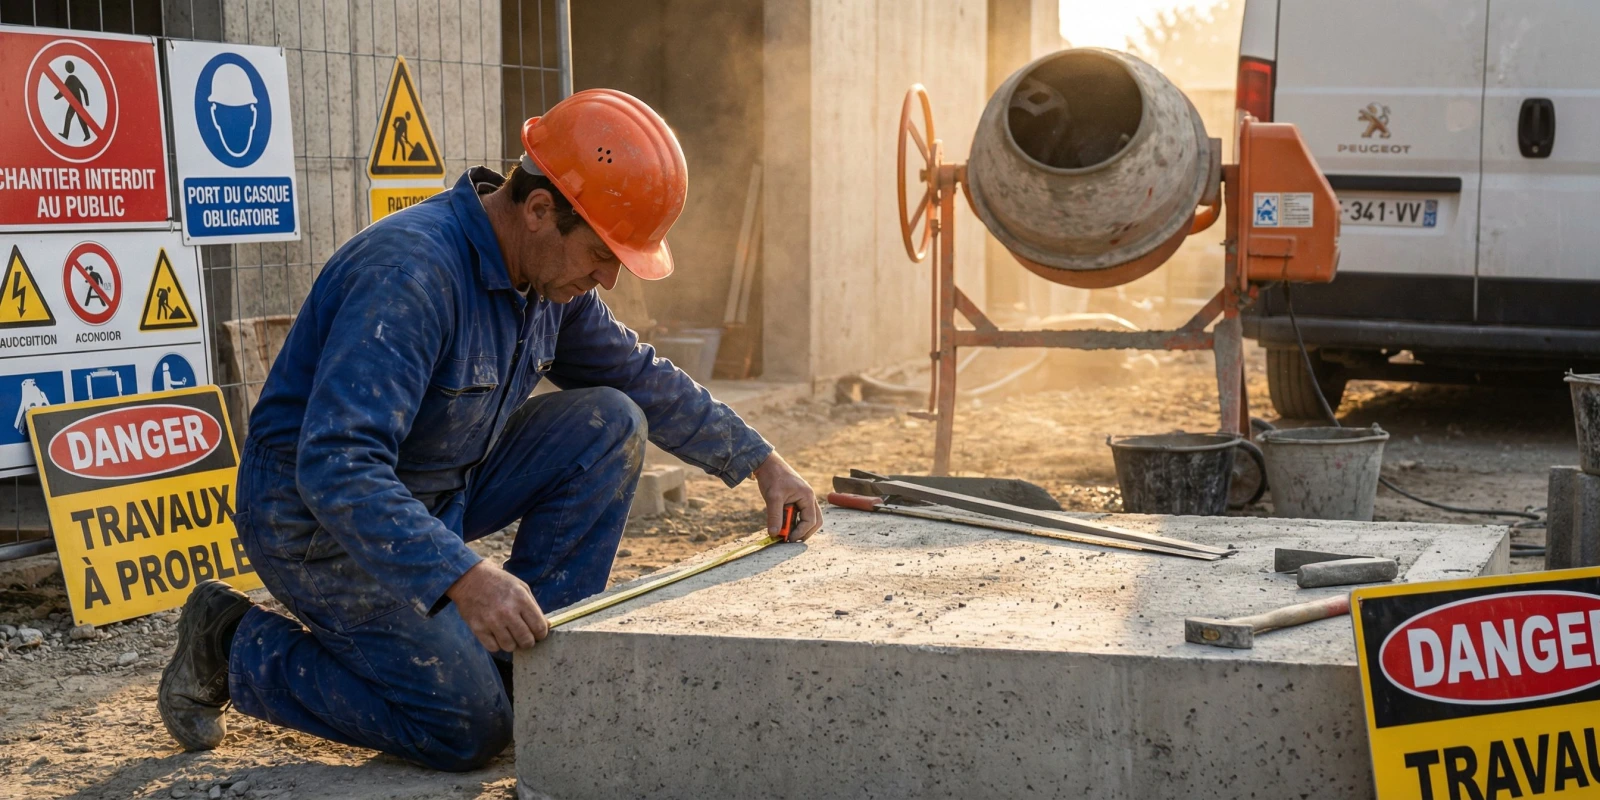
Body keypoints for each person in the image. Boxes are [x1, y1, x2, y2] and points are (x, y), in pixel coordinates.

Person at [157, 89, 821, 770]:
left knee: (609, 421)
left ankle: (529, 670)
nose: (610, 279)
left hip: (435, 494)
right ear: (539, 210)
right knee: (466, 729)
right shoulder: (411, 275)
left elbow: (639, 376)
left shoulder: (546, 281)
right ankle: (231, 643)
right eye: (600, 252)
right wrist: (464, 577)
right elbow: (338, 467)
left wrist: (761, 461)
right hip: (319, 526)